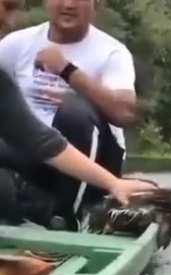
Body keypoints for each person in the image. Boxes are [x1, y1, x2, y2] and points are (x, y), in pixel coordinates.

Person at [0, 0, 156, 209]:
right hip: (32, 148)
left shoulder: (112, 52)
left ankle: (71, 214)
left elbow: (125, 113)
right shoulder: (15, 43)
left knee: (71, 109)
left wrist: (67, 71)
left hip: (90, 159)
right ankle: (36, 206)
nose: (68, 4)